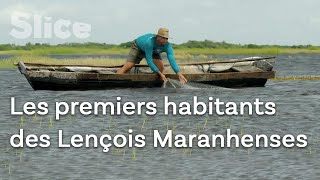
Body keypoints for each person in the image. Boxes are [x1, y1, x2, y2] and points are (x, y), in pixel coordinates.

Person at [117, 28, 187, 84]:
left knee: (161, 68)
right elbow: (149, 61)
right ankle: (117, 79)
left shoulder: (168, 46)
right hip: (138, 46)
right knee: (129, 65)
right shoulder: (149, 43)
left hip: (154, 50)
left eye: (167, 38)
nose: (165, 40)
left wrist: (179, 73)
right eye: (163, 38)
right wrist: (160, 74)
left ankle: (154, 84)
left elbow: (172, 60)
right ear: (158, 37)